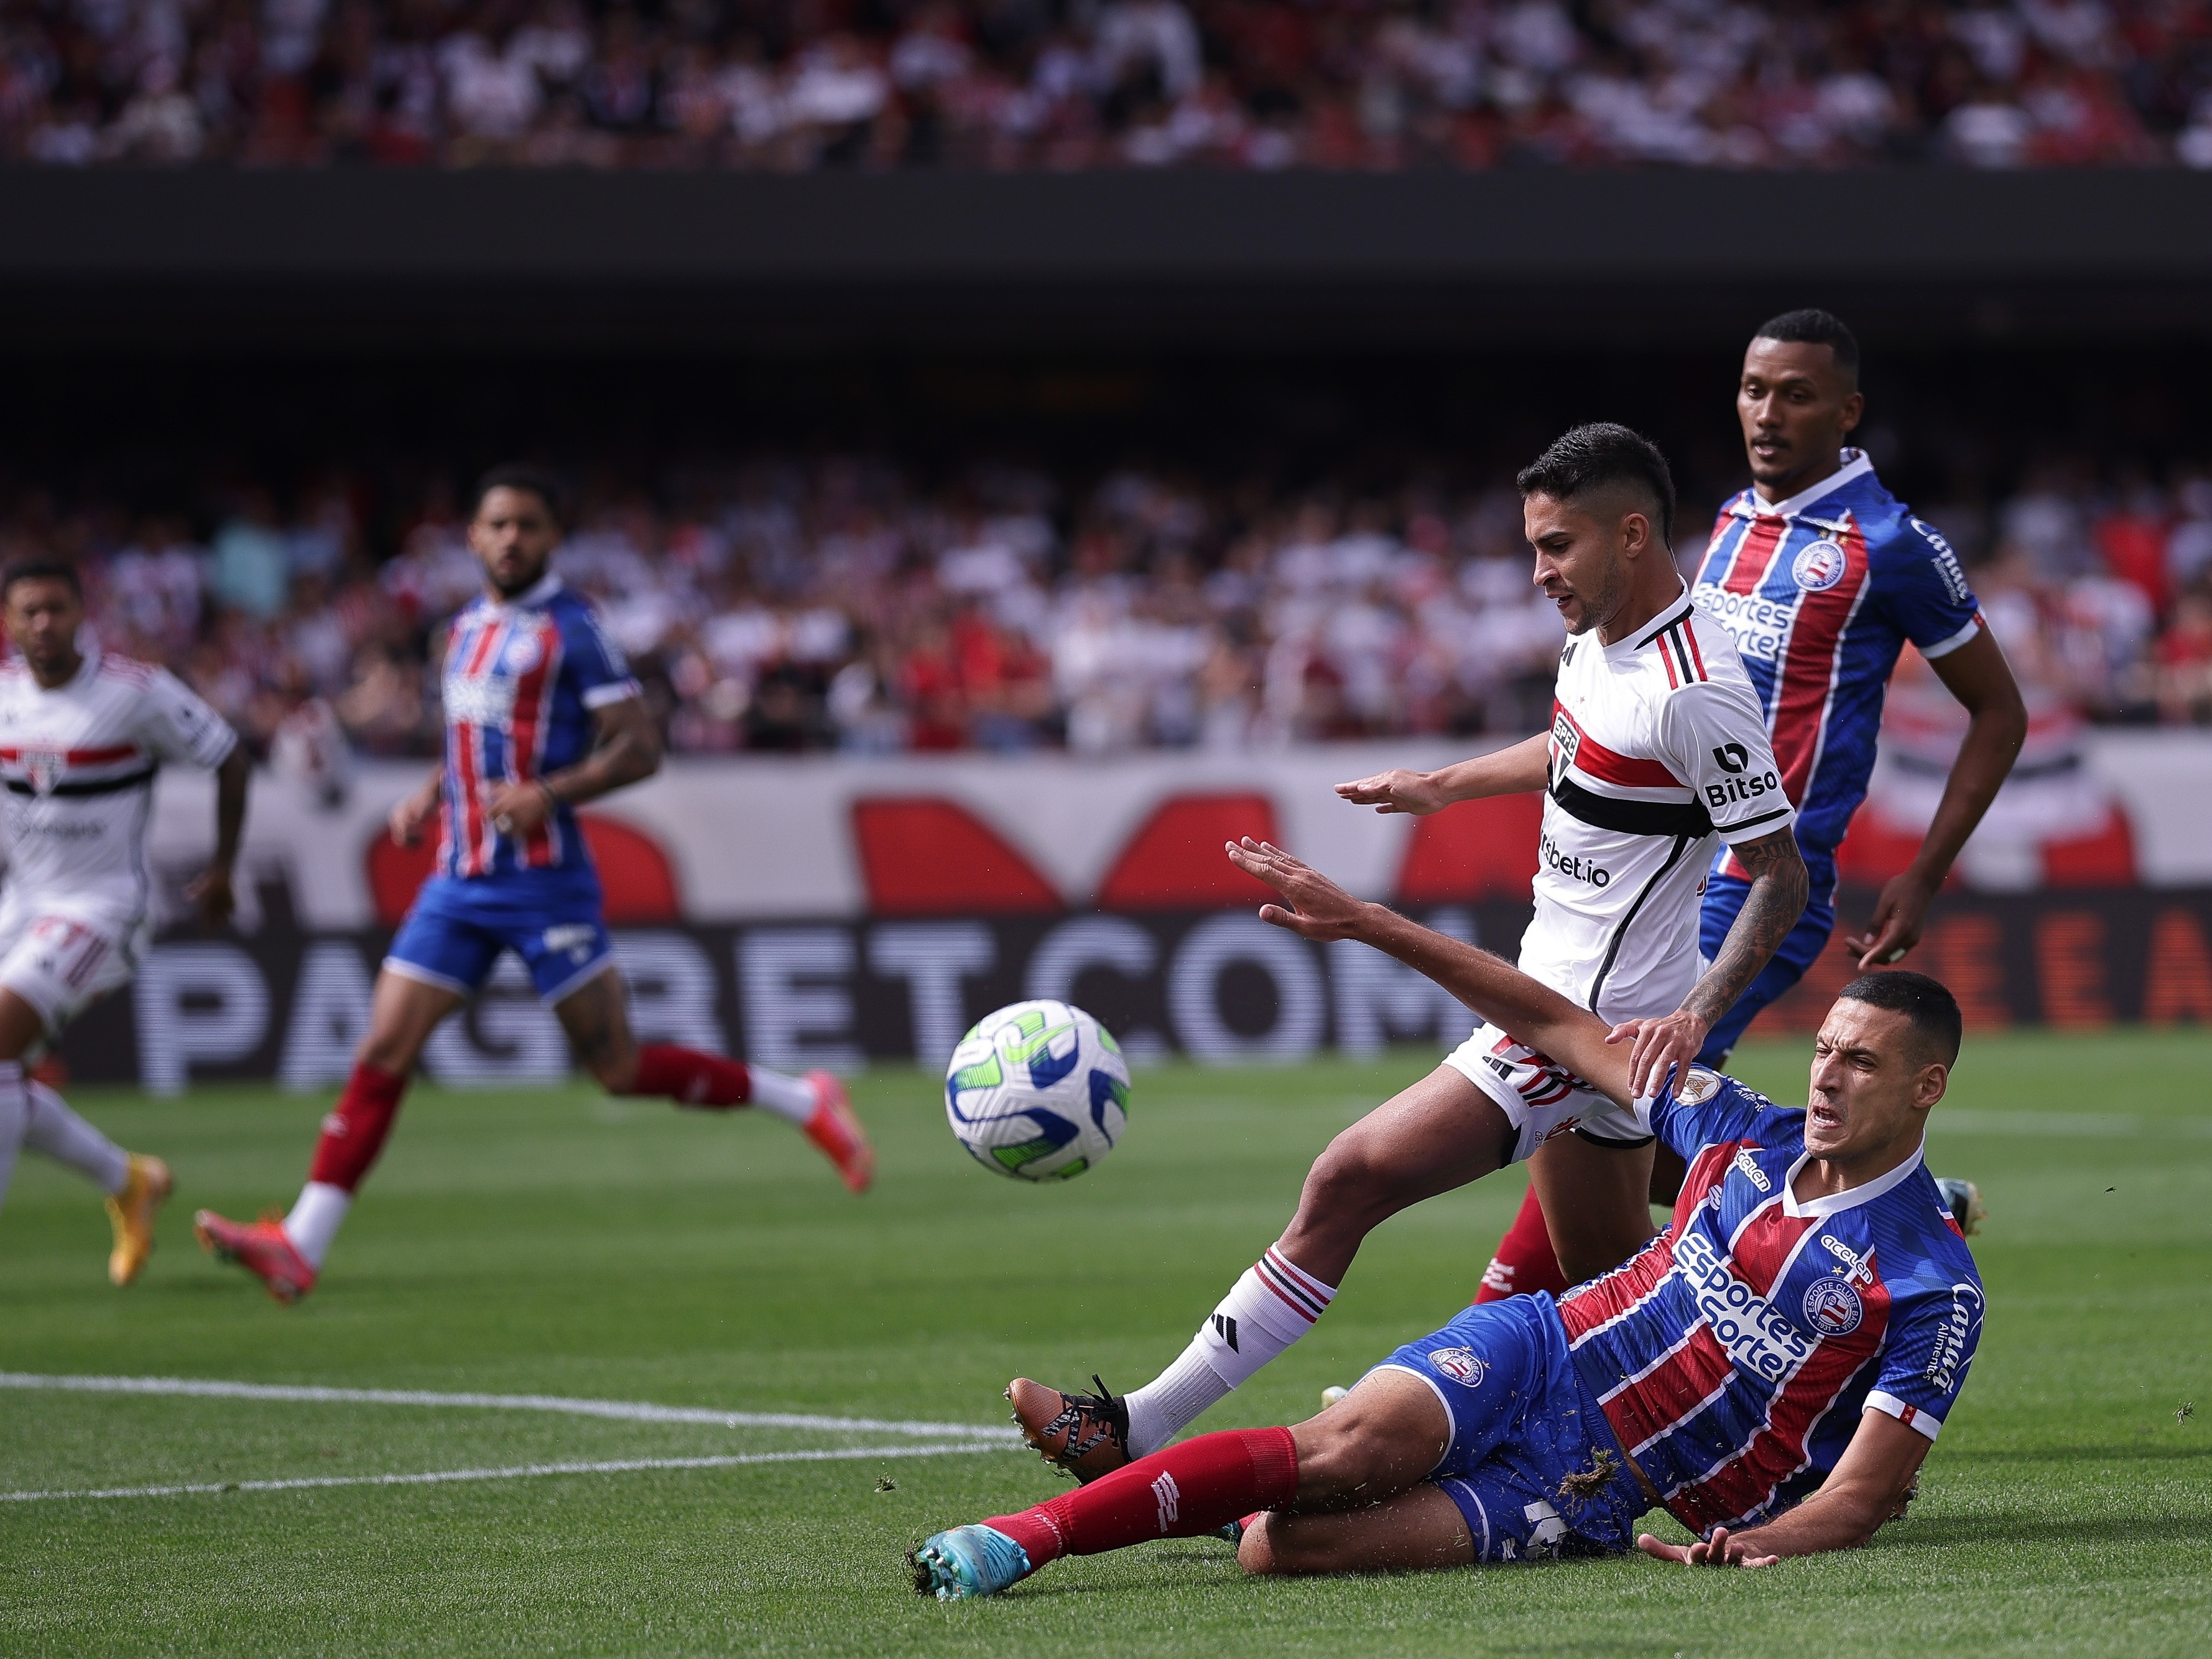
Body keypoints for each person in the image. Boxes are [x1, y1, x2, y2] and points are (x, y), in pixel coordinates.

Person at [1005, 424, 1810, 1480]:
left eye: (1555, 545)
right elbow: (1581, 744)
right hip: (1573, 1019)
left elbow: (1780, 873)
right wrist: (1446, 781)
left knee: (1348, 1175)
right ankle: (1772, 1444)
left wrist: (1696, 1011)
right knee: (1612, 1289)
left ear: (1629, 533)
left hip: (1579, 1028)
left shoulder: (1697, 685)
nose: (1537, 572)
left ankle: (1132, 1430)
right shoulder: (1601, 634)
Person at [910, 838, 1982, 1598]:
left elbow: (1862, 1495)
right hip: (1541, 1348)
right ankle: (1025, 1538)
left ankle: (1222, 1495)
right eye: (1824, 1051)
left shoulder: (1931, 1283)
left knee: (1283, 1549)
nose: (1829, 1078)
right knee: (1342, 1443)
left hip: (1594, 1483)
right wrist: (1366, 923)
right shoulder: (1739, 1129)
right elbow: (1558, 1024)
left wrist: (1758, 1543)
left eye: (1862, 1061)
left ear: (1925, 1088)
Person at [195, 467, 874, 1303]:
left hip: (545, 882)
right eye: (497, 524)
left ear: (552, 537)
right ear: (473, 537)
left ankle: (802, 1098)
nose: (511, 537)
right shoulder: (463, 629)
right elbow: (474, 743)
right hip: (459, 880)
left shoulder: (572, 628)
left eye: (527, 524)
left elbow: (639, 748)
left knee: (619, 1070)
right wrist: (431, 792)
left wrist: (549, 794)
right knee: (382, 1050)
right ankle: (301, 1241)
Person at [1473, 309, 2024, 1305]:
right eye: (1753, 389)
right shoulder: (1730, 519)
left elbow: (2000, 711)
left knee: (1592, 1100)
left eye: (1797, 394)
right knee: (1600, 1109)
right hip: (1667, 870)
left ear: (1846, 410)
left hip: (1759, 878)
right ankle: (1890, 1194)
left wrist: (1926, 869)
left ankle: (1484, 1345)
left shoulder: (1890, 543)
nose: (1768, 413)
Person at [0, 559, 250, 1285]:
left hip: (103, 910)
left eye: (57, 609)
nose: (44, 624)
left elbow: (230, 758)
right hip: (20, 905)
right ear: (9, 623)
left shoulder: (133, 693)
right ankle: (128, 1179)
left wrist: (226, 866)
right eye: (29, 613)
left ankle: (125, 1179)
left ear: (84, 614)